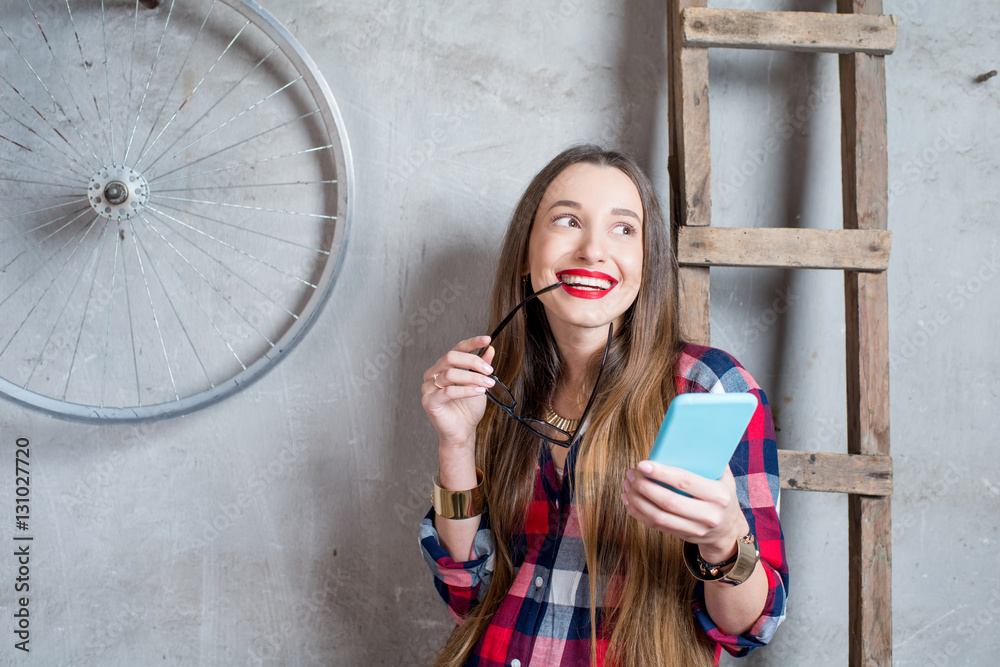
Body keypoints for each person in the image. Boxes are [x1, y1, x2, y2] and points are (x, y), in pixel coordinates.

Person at [419, 145, 787, 666]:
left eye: (623, 229)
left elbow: (749, 627)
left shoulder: (710, 387)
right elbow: (469, 594)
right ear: (527, 253)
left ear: (647, 263)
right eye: (568, 220)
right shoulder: (498, 386)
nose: (593, 250)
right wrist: (455, 444)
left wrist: (724, 539)